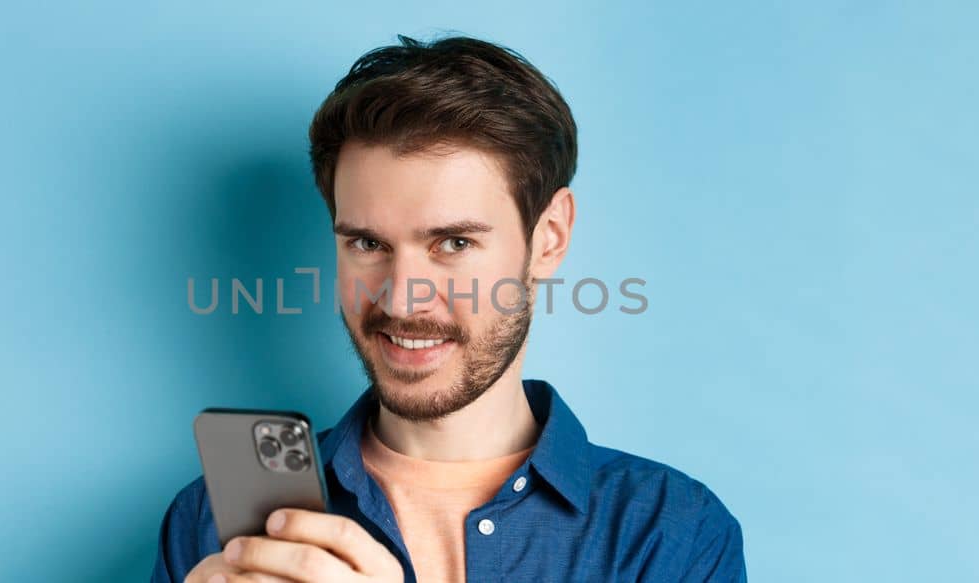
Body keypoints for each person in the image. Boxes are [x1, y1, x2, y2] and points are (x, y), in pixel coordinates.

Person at [153, 35, 746, 583]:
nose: (402, 297)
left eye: (454, 244)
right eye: (367, 243)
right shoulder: (205, 523)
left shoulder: (671, 533)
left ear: (550, 238)